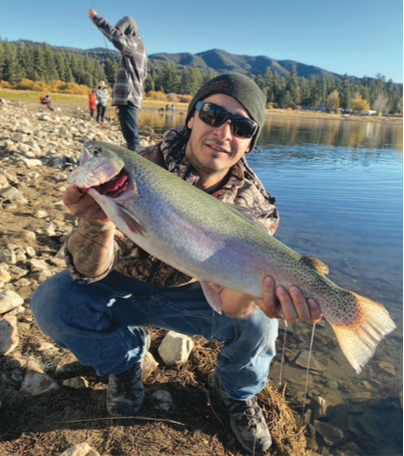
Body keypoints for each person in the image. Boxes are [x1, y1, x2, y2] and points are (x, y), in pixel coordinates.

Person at [30, 73, 321, 455]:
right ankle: (124, 364)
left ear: (250, 141)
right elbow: (87, 274)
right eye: (213, 113)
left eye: (242, 125)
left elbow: (231, 306)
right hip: (122, 287)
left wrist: (262, 297)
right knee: (52, 300)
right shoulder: (141, 166)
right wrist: (96, 221)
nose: (223, 131)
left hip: (191, 296)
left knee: (259, 323)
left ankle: (235, 392)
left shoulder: (257, 207)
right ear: (191, 117)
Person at [88, 9, 147, 150]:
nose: (120, 34)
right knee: (131, 137)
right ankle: (134, 165)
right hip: (129, 98)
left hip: (128, 97)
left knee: (132, 139)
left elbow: (115, 37)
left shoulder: (134, 44)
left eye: (121, 31)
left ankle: (136, 169)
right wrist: (120, 103)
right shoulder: (140, 48)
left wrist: (96, 18)